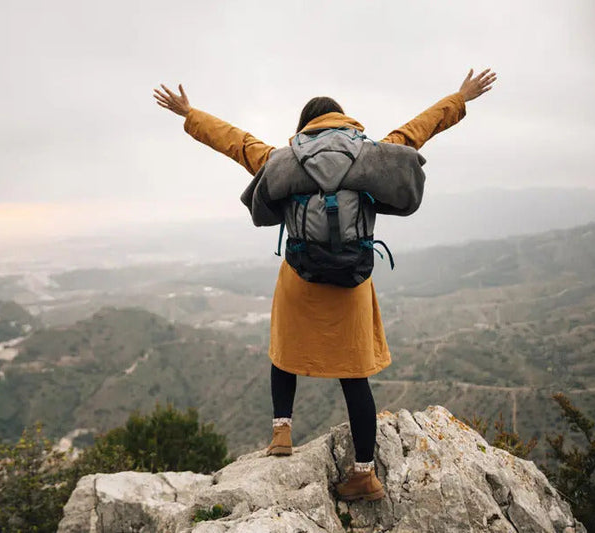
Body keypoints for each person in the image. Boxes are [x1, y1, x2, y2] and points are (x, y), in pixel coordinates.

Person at [153, 68, 497, 502]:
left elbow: (236, 141)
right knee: (354, 375)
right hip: (352, 282)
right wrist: (459, 97)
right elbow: (418, 130)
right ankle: (365, 474)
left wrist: (190, 114)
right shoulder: (372, 155)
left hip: (301, 277)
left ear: (305, 126)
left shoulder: (284, 160)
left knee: (284, 350)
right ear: (343, 121)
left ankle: (282, 433)